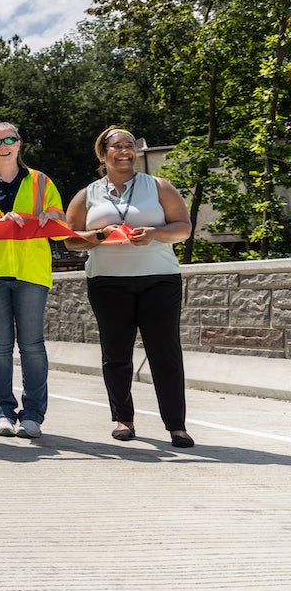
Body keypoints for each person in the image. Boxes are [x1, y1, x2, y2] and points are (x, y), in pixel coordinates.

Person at [63, 125, 195, 448]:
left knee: (165, 353)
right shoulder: (88, 194)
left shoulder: (159, 186)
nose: (125, 151)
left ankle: (176, 426)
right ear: (103, 153)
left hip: (159, 280)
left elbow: (183, 228)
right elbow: (69, 239)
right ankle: (124, 419)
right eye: (117, 146)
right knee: (116, 354)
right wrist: (97, 237)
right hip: (108, 284)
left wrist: (154, 234)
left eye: (129, 145)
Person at [0, 121, 65, 438]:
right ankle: (3, 413)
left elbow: (60, 220)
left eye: (9, 140)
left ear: (20, 143)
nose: (3, 146)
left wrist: (51, 218)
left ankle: (32, 415)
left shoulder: (41, 182)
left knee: (32, 346)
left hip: (31, 272)